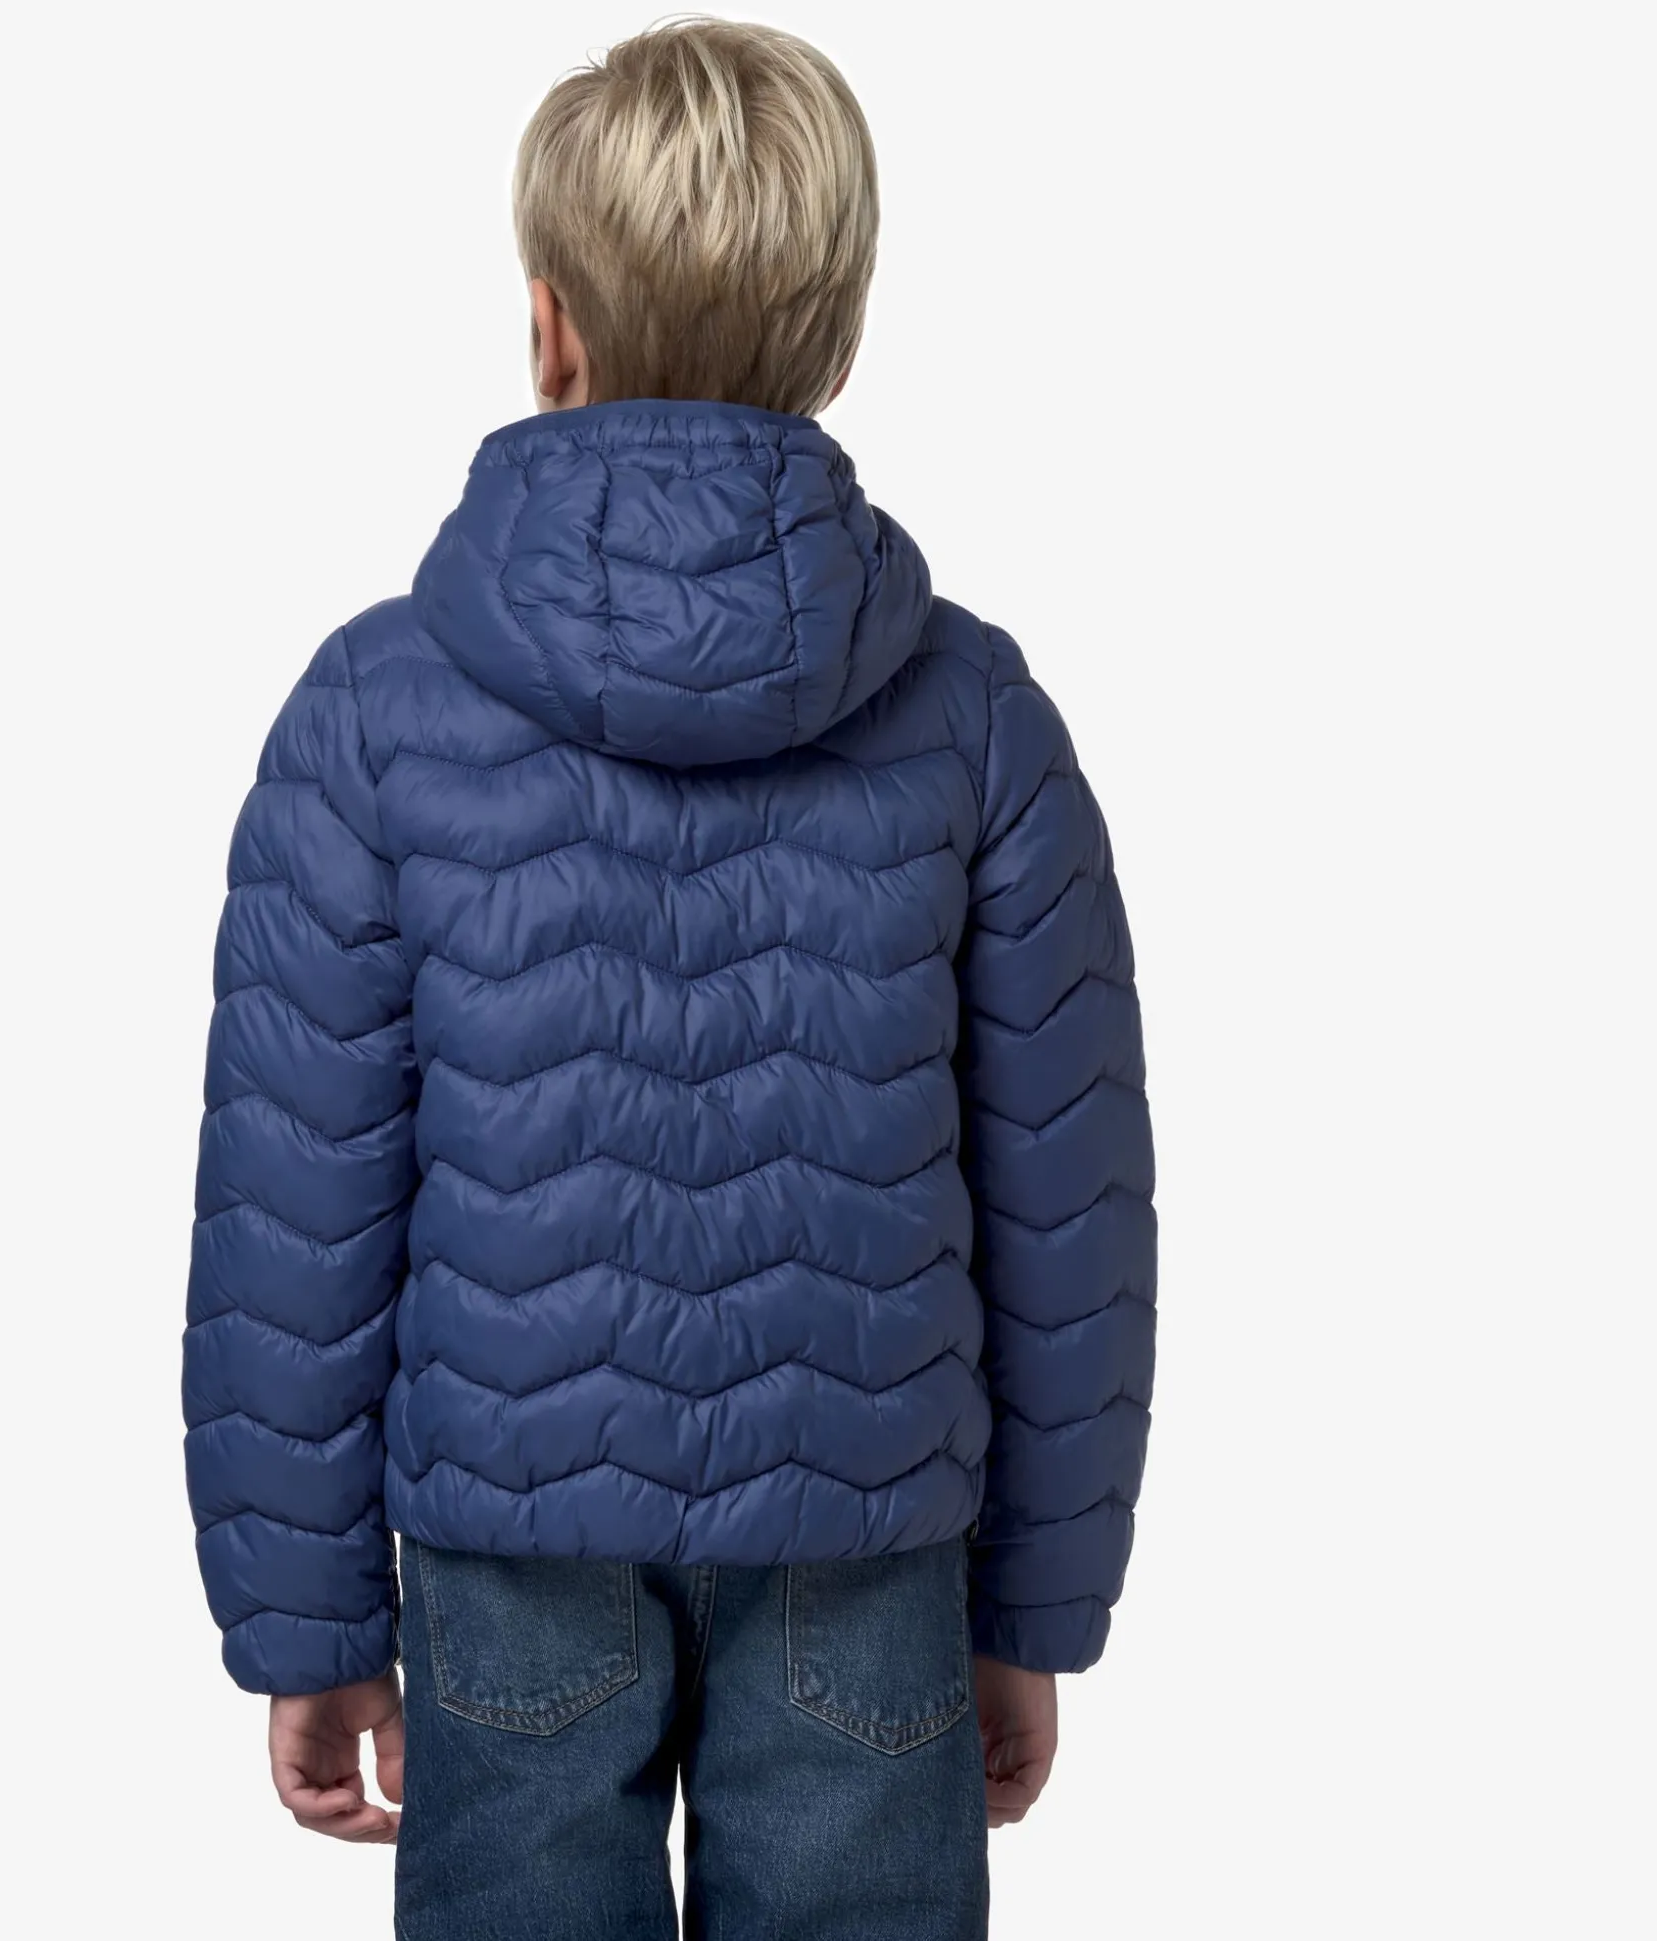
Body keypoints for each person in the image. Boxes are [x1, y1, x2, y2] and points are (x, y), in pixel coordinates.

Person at [181, 17, 1155, 1938]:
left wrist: (307, 1619)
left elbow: (293, 1200)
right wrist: (1036, 1605)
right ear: (840, 343)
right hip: (869, 1547)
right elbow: (1071, 1212)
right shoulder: (977, 718)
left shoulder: (371, 710)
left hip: (503, 1541)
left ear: (547, 327)